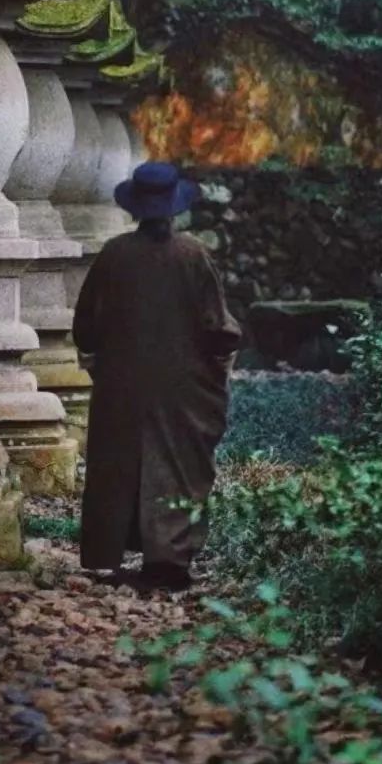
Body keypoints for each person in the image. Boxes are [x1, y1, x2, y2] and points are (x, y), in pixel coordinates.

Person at [73, 160, 241, 590]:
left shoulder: (114, 255)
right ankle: (168, 558)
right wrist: (219, 364)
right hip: (183, 386)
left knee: (121, 463)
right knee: (179, 462)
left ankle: (115, 549)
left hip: (122, 384)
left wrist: (104, 360)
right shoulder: (193, 256)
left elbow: (86, 326)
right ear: (172, 208)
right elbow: (217, 327)